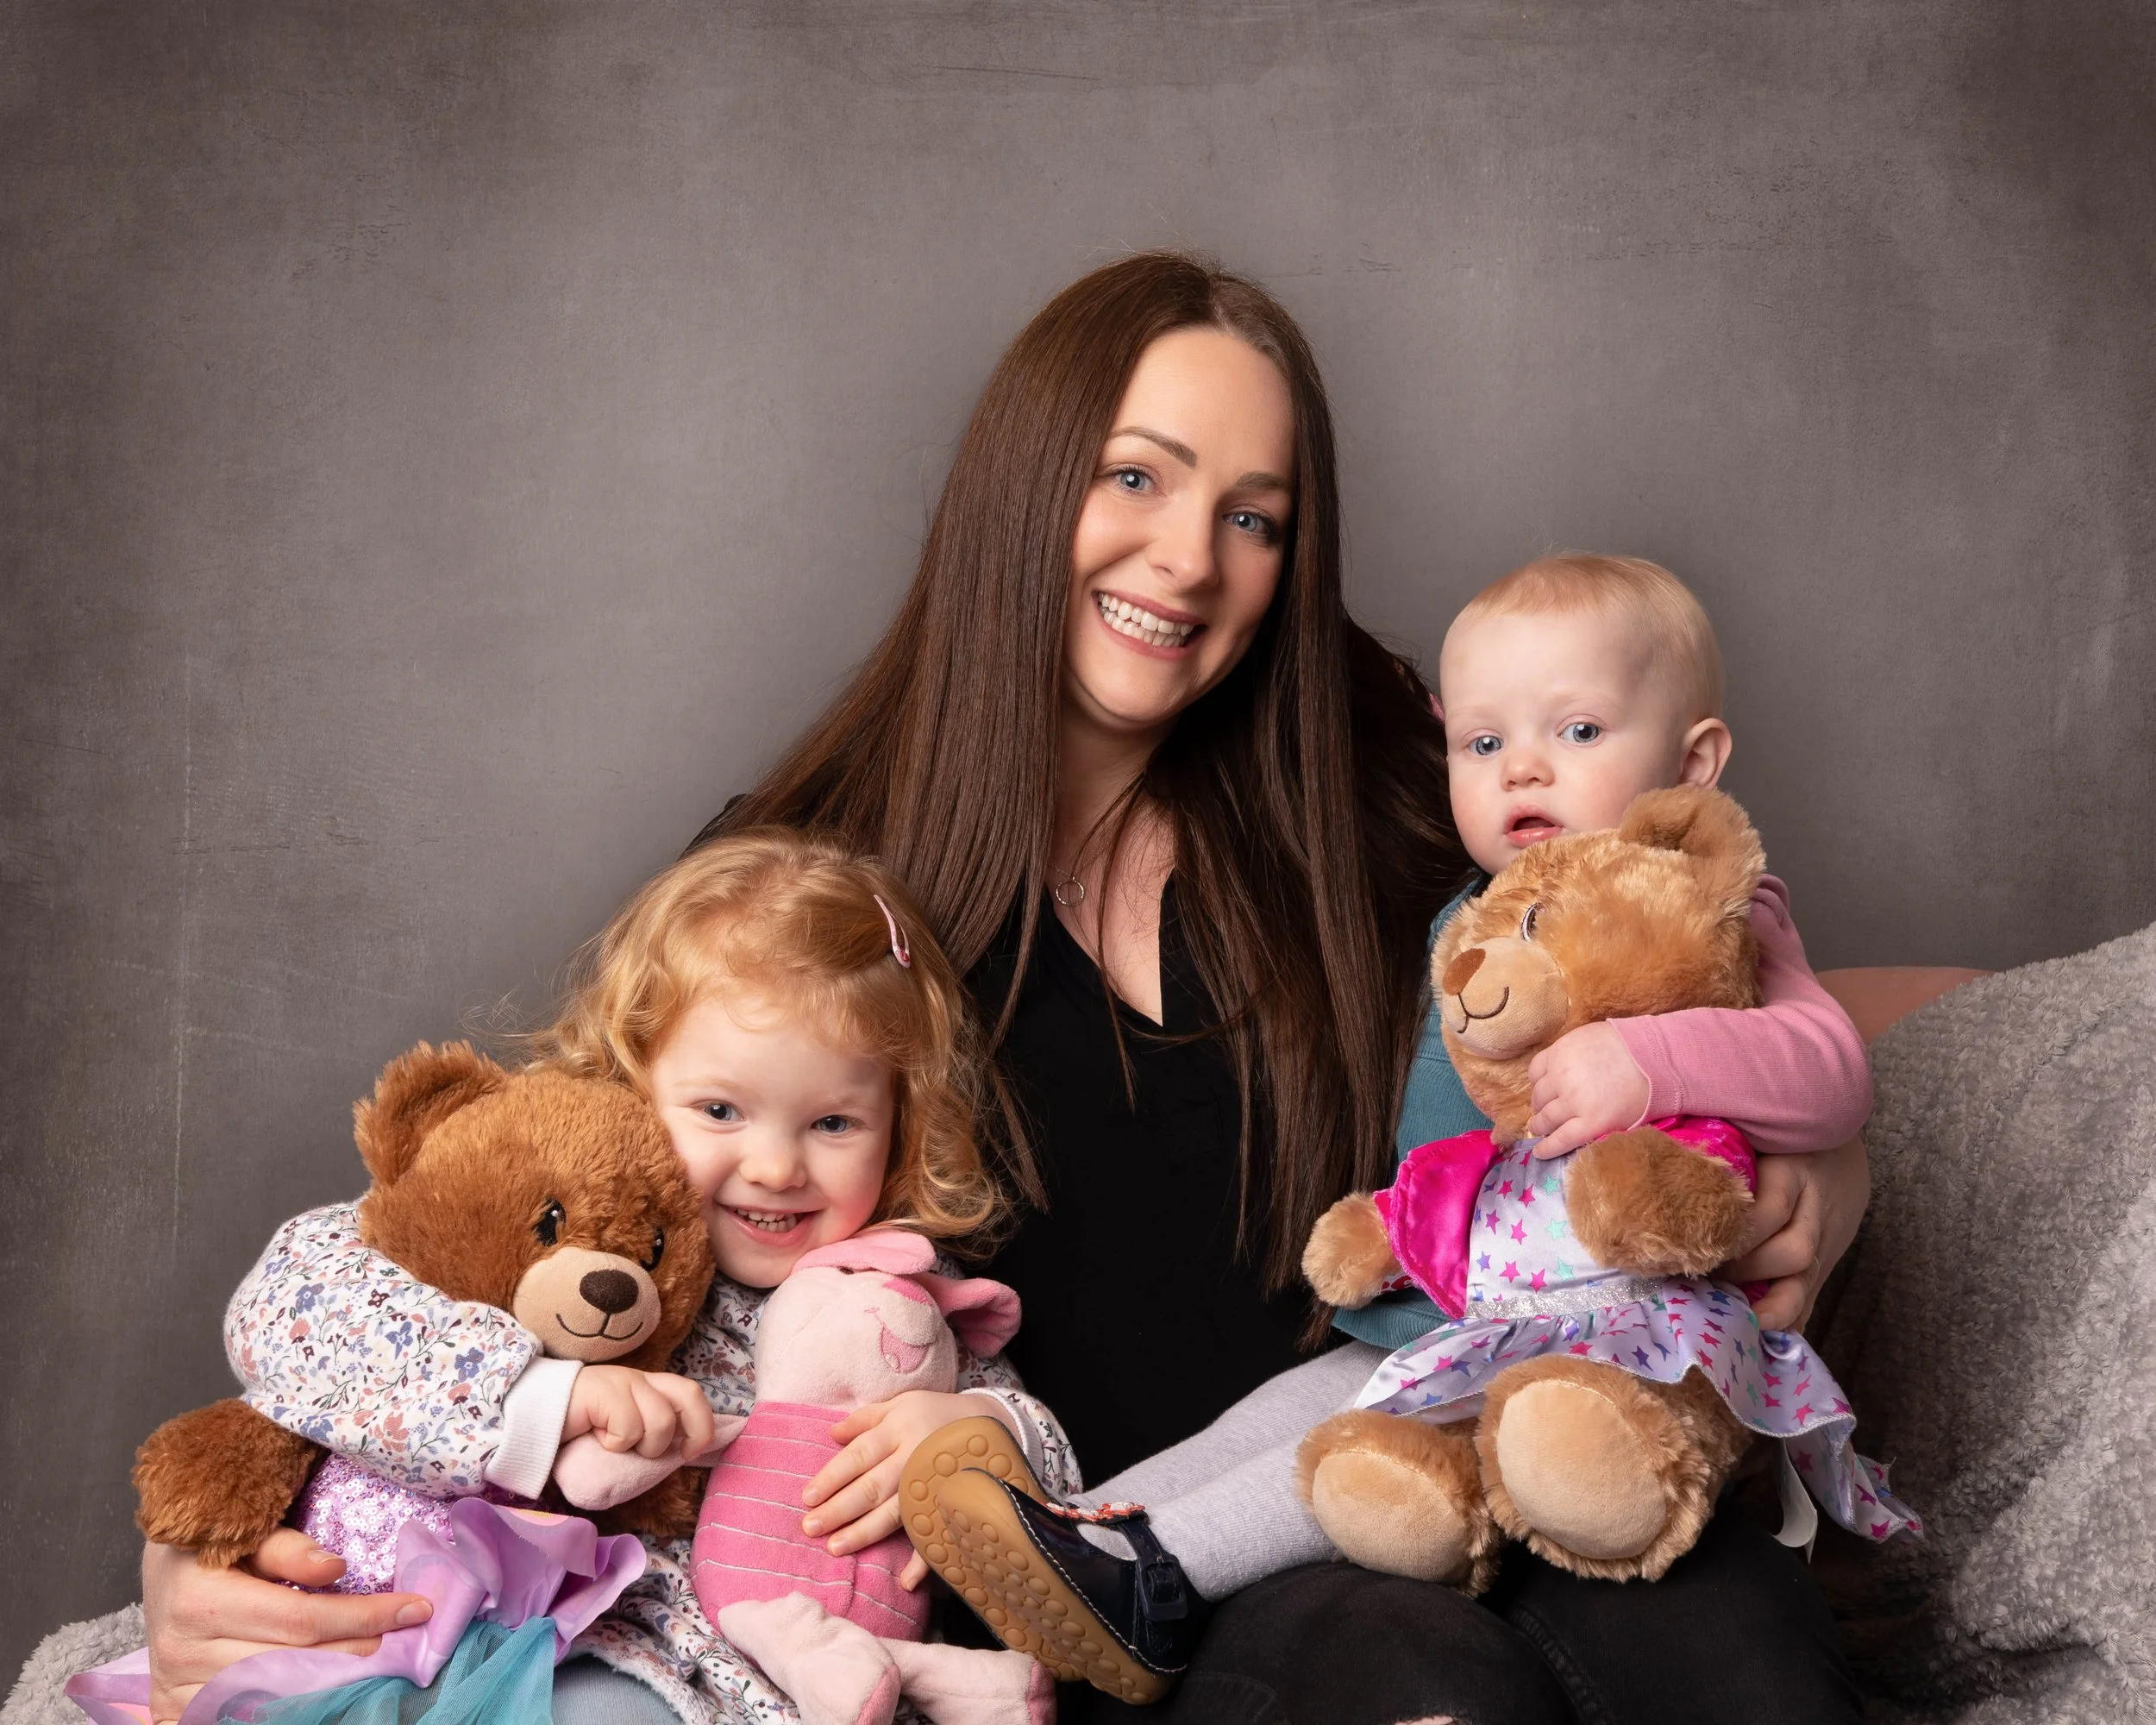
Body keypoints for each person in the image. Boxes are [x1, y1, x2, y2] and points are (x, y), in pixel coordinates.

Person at [141, 254, 1877, 1725]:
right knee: (1414, 1684)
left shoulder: (1371, 762)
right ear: (1025, 475)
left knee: (1732, 1646)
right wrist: (234, 1514)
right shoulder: (800, 879)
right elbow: (544, 1214)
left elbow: (1702, 946)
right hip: (1107, 1579)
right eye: (1134, 476)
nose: (1187, 558)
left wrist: (1832, 1156)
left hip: (1474, 1423)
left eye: (1251, 517)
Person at [897, 553, 1905, 1703]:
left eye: (1577, 732)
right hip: (1462, 1314)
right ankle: (1089, 1539)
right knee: (1312, 1396)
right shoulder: (1466, 921)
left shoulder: (1714, 900)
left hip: (1620, 1339)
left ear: (1693, 765)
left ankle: (1153, 1572)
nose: (1523, 766)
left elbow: (1830, 1069)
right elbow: (1448, 1146)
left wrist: (1664, 1070)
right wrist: (1397, 1230)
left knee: (1374, 1425)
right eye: (1483, 745)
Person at [179, 830, 1078, 1722]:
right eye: (720, 1109)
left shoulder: (896, 1297)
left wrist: (980, 1426)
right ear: (633, 1078)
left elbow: (1065, 1504)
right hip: (581, 1643)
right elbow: (296, 1303)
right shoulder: (552, 1215)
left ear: (899, 1125)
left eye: (834, 1122)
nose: (774, 1165)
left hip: (813, 1682)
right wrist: (541, 1399)